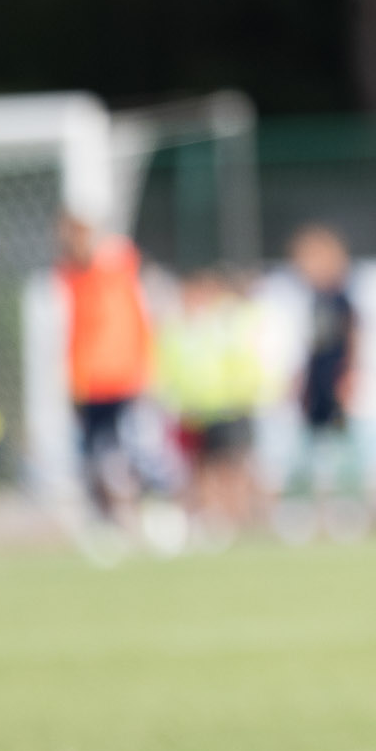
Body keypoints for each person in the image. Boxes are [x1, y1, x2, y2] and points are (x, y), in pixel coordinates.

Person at [56, 211, 154, 537]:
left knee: (122, 449)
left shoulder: (116, 269)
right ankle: (106, 517)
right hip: (88, 381)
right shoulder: (69, 278)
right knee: (94, 451)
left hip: (120, 376)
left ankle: (131, 514)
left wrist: (143, 365)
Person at [155, 268, 266, 548]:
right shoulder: (177, 328)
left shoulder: (224, 323)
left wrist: (242, 393)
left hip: (229, 404)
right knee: (201, 467)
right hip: (195, 409)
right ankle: (212, 521)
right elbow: (170, 368)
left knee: (232, 465)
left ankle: (238, 519)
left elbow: (240, 360)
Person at [277, 225, 365, 543]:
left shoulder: (341, 297)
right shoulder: (313, 299)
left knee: (344, 452)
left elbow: (354, 336)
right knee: (304, 451)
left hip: (335, 385)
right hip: (314, 388)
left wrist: (351, 374)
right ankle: (297, 511)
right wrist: (299, 380)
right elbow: (311, 347)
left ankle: (348, 510)